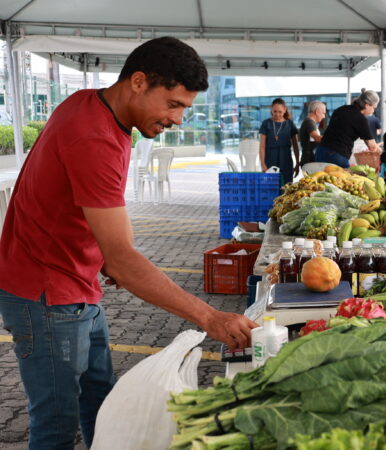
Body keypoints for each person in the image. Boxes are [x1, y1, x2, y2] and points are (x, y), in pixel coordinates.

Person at [0, 37, 258, 448]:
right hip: (46, 294)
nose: (178, 119)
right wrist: (211, 317)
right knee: (56, 425)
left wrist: (109, 257)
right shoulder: (94, 137)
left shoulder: (93, 105)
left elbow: (93, 215)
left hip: (78, 284)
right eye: (173, 104)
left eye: (185, 109)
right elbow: (122, 259)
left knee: (103, 405)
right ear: (138, 81)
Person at [314, 90, 381, 168]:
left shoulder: (341, 109)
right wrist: (380, 151)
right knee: (342, 179)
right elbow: (372, 146)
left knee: (320, 178)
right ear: (367, 105)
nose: (373, 111)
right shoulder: (360, 118)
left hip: (321, 150)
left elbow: (366, 139)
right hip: (337, 155)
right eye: (373, 108)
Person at [259, 98, 300, 187]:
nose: (277, 114)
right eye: (275, 111)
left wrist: (297, 163)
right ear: (271, 110)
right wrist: (263, 164)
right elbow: (262, 146)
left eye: (280, 112)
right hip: (270, 159)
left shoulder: (290, 124)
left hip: (286, 160)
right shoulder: (266, 123)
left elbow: (295, 146)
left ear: (285, 110)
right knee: (270, 188)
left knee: (287, 187)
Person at [299, 100, 326, 166]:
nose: (324, 116)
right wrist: (333, 139)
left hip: (309, 158)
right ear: (317, 111)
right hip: (309, 160)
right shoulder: (309, 122)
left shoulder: (310, 122)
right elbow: (316, 137)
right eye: (323, 113)